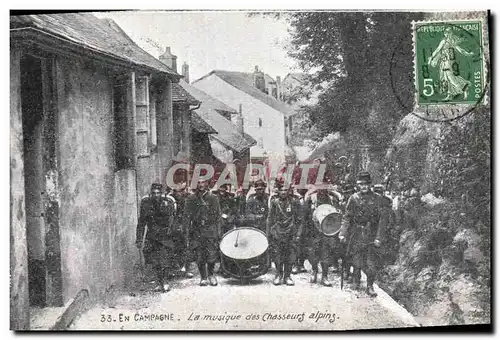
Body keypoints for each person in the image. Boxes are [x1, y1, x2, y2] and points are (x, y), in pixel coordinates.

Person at [338, 172, 390, 297]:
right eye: (361, 185)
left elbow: (382, 221)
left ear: (370, 185)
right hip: (357, 233)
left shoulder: (378, 199)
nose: (364, 187)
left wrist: (379, 237)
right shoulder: (353, 198)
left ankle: (370, 285)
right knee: (356, 258)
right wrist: (343, 233)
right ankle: (356, 280)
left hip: (371, 233)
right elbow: (347, 217)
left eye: (366, 184)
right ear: (358, 185)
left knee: (371, 262)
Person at [136, 183, 176, 293]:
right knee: (155, 261)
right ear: (151, 193)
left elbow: (172, 219)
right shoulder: (146, 203)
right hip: (152, 236)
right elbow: (141, 222)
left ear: (161, 193)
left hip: (165, 236)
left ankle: (165, 282)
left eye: (158, 193)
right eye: (154, 193)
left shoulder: (168, 201)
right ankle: (159, 282)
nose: (156, 195)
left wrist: (170, 233)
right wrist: (139, 239)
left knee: (164, 260)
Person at [183, 180, 222, 286]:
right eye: (198, 182)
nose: (201, 185)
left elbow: (218, 216)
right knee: (199, 255)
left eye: (203, 183)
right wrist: (186, 232)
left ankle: (211, 275)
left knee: (211, 255)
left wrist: (218, 232)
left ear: (207, 185)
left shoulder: (213, 198)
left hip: (210, 229)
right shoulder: (191, 199)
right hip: (196, 230)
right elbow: (186, 217)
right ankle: (203, 277)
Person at [303, 185, 343, 286]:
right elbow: (304, 216)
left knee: (326, 253)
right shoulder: (311, 199)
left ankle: (325, 276)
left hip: (328, 231)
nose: (323, 189)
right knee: (313, 253)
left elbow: (337, 215)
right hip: (314, 231)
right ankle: (314, 271)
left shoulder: (333, 199)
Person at [267, 184, 303, 286]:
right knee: (277, 254)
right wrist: (269, 233)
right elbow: (270, 218)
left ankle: (287, 276)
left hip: (291, 232)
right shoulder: (274, 202)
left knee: (290, 255)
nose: (283, 192)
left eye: (285, 190)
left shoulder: (294, 202)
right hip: (278, 232)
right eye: (281, 190)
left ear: (289, 191)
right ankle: (278, 274)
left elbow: (300, 219)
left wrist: (298, 234)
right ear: (278, 192)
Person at [428, 26, 475, 101]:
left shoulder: (452, 41)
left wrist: (468, 54)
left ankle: (465, 89)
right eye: (446, 32)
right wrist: (431, 58)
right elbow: (437, 50)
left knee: (451, 78)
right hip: (443, 62)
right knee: (446, 78)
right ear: (444, 33)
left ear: (451, 33)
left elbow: (460, 50)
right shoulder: (444, 41)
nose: (447, 34)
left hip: (448, 62)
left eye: (448, 32)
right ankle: (450, 95)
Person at [170, 182, 194, 278]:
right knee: (174, 246)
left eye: (181, 190)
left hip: (186, 223)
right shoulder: (170, 198)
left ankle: (186, 268)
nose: (179, 193)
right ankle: (175, 268)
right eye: (177, 191)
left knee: (187, 246)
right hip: (174, 224)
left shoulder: (189, 197)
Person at [292, 187, 309, 274]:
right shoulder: (295, 199)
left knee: (303, 245)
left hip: (305, 224)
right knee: (295, 245)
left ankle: (301, 264)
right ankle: (295, 264)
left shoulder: (307, 198)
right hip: (295, 224)